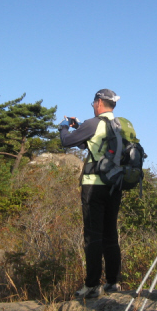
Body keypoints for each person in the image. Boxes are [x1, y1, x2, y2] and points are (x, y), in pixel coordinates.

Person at [59, 89, 124, 299]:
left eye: (93, 103)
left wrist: (64, 127)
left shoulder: (93, 123)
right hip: (115, 185)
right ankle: (113, 282)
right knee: (110, 234)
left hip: (94, 186)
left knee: (93, 235)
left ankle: (92, 285)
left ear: (99, 102)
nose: (93, 106)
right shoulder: (120, 125)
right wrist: (79, 127)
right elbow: (88, 142)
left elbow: (66, 142)